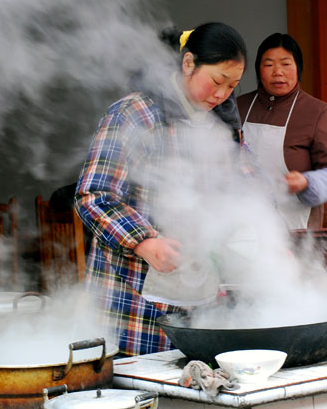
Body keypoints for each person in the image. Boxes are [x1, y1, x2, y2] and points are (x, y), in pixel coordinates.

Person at [75, 22, 247, 356]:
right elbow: (93, 195)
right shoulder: (136, 113)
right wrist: (144, 241)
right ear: (188, 64)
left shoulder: (222, 126)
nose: (222, 95)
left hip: (198, 300)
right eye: (216, 81)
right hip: (132, 304)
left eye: (232, 86)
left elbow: (246, 191)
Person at [236, 33, 327, 230]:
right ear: (258, 70)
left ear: (298, 68)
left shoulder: (319, 113)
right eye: (269, 64)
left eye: (286, 64)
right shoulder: (238, 106)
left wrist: (307, 181)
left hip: (296, 229)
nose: (277, 72)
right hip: (240, 225)